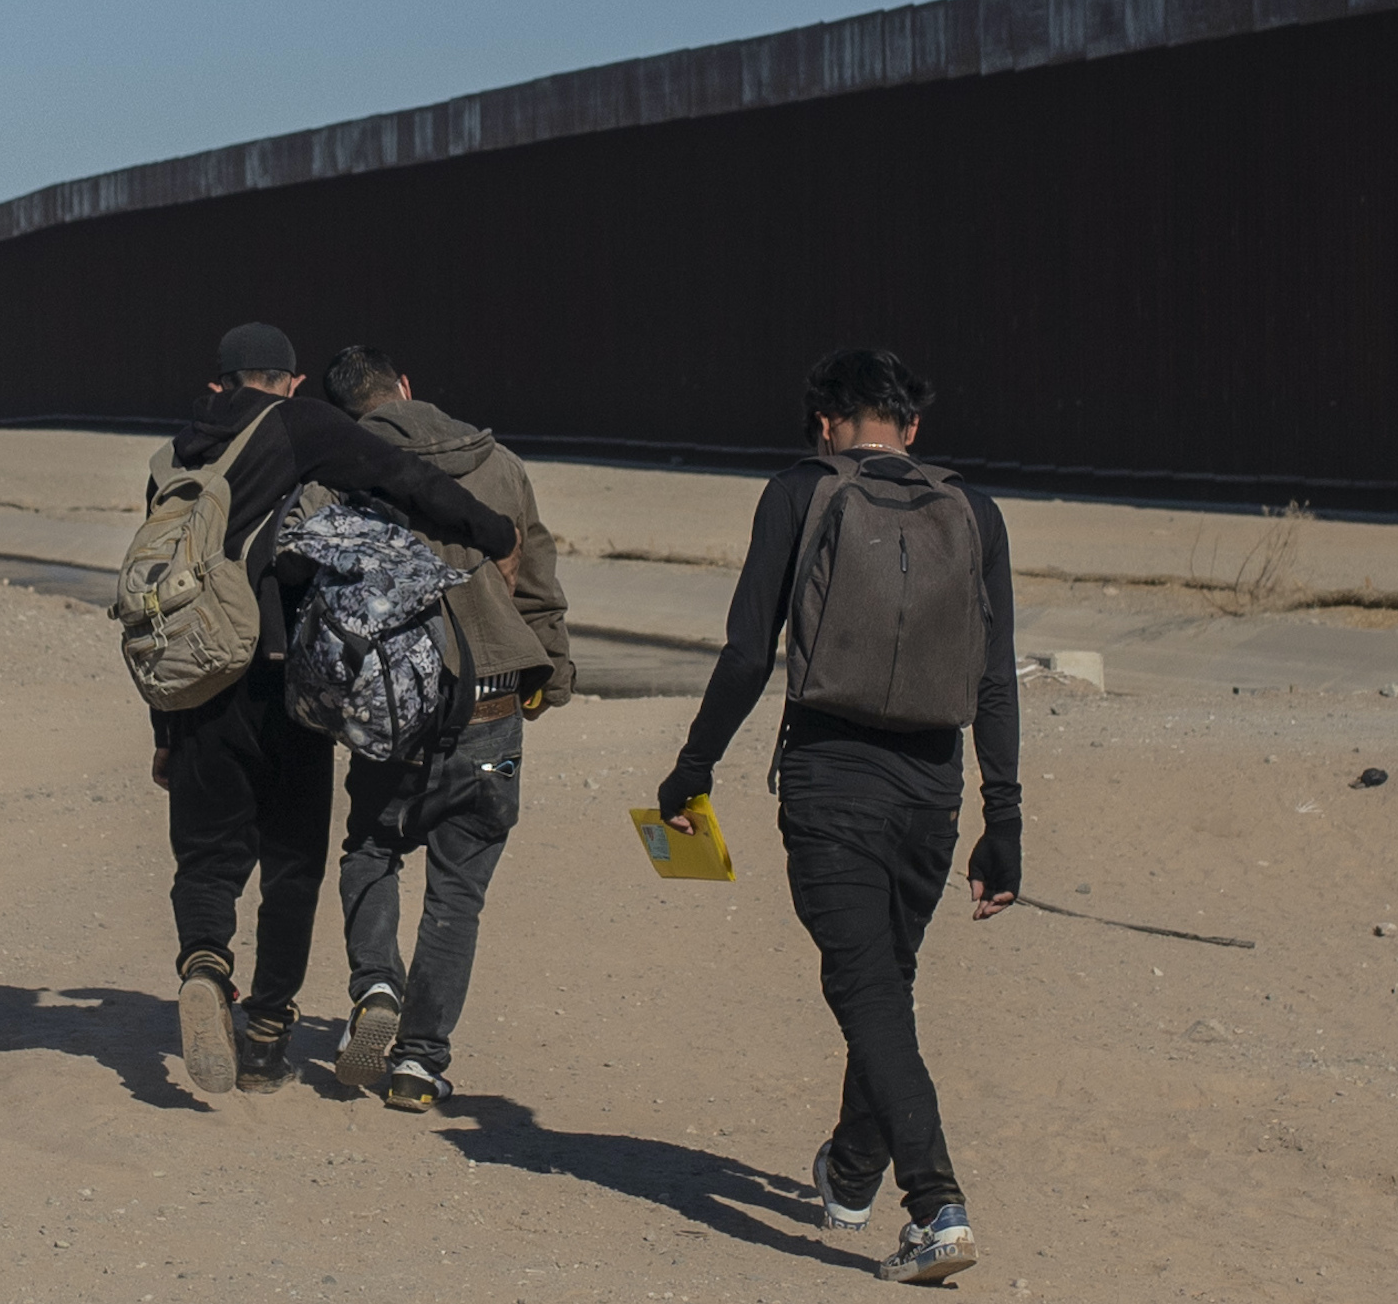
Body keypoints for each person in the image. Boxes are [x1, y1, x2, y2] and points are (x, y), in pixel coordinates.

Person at [654, 349, 1020, 1284]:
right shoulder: (974, 512)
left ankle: (936, 1205)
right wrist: (1004, 819)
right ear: (912, 425)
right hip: (933, 795)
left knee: (868, 991)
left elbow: (748, 654)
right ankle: (853, 1169)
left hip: (830, 785)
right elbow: (994, 681)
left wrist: (692, 768)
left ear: (823, 423)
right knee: (883, 983)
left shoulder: (798, 493)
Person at [150, 322, 521, 1097]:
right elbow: (400, 477)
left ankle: (205, 964)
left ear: (218, 383)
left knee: (208, 855)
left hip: (196, 685)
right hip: (285, 684)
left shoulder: (174, 456)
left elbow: (163, 597)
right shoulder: (299, 425)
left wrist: (164, 730)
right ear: (290, 382)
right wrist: (491, 531)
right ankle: (265, 1038)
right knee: (292, 864)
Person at [319, 345, 574, 1112]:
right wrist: (551, 676)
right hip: (494, 717)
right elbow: (539, 586)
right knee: (458, 890)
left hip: (397, 715)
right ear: (406, 386)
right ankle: (419, 1063)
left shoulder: (344, 470)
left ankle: (377, 987)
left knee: (371, 848)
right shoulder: (502, 464)